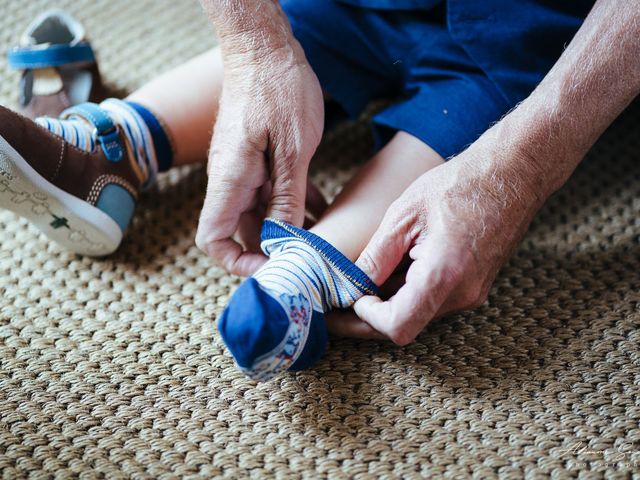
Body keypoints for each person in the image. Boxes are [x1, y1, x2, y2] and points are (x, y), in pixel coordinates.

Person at [0, 1, 638, 379]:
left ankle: (304, 279)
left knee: (459, 146)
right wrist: (254, 45)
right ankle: (111, 146)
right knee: (297, 31)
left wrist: (524, 163)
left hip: (539, 35)